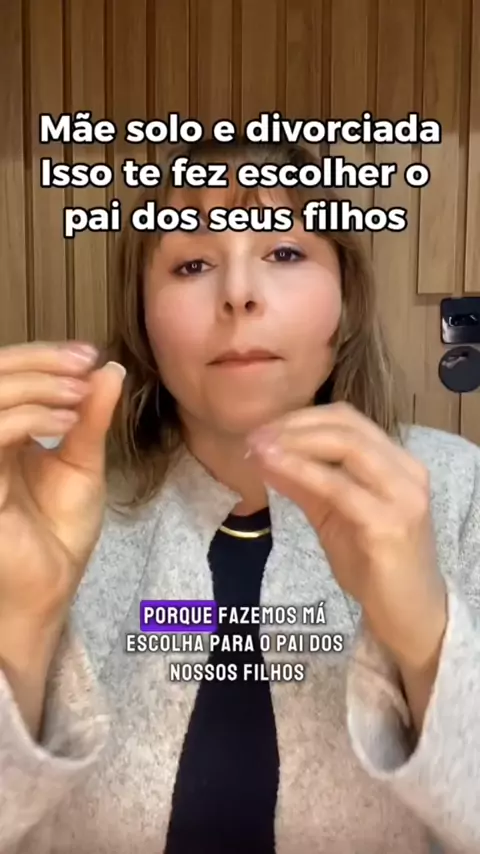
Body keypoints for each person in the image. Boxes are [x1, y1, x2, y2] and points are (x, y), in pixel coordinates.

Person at [0, 138, 479, 854]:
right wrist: (19, 629)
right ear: (143, 320)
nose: (238, 293)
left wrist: (427, 635)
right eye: (192, 264)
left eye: (284, 252)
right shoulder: (30, 499)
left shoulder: (460, 489)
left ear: (345, 302)